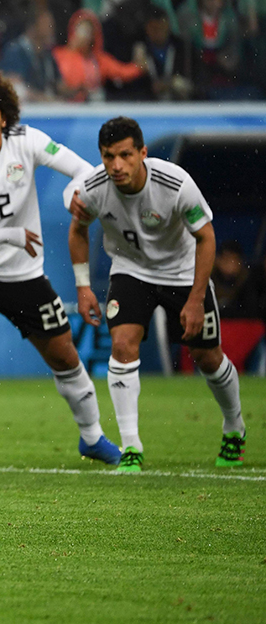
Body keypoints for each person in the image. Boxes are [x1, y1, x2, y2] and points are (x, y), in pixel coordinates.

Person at [0, 68, 121, 472]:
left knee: (65, 357)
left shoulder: (27, 141)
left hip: (23, 275)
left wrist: (74, 194)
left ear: (5, 117)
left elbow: (85, 171)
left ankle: (92, 438)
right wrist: (8, 235)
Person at [67, 117, 246, 471]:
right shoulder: (93, 188)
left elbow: (206, 237)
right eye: (108, 156)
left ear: (142, 153)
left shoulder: (175, 184)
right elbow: (77, 230)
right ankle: (131, 446)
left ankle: (234, 426)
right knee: (122, 346)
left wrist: (195, 300)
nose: (117, 165)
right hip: (131, 270)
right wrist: (83, 286)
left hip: (182, 272)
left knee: (207, 357)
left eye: (125, 155)